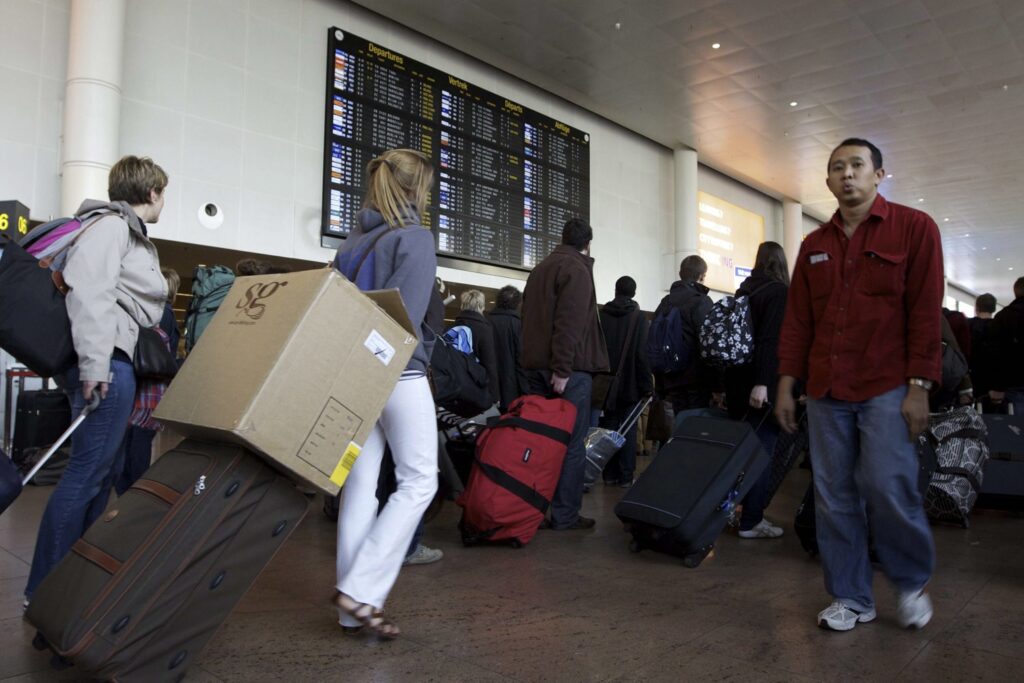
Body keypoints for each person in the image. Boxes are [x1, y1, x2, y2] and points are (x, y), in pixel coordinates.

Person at [775, 138, 943, 632]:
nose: (846, 175)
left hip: (887, 384)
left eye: (856, 166)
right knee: (833, 495)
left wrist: (919, 386)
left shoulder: (914, 229)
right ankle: (852, 596)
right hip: (827, 390)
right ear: (828, 182)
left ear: (878, 174)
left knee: (887, 485)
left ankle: (910, 582)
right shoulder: (813, 246)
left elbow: (925, 312)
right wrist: (787, 382)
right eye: (836, 168)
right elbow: (798, 323)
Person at [24, 155, 169, 602]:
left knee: (97, 474)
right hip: (107, 364)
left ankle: (71, 576)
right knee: (86, 474)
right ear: (151, 193)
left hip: (109, 361)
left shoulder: (119, 230)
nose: (164, 201)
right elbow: (90, 292)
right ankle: (46, 585)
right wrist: (94, 365)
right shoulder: (110, 227)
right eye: (163, 193)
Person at [332, 149, 438, 639]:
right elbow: (406, 321)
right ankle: (362, 590)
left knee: (359, 486)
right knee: (420, 481)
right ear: (417, 189)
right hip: (398, 375)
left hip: (352, 373)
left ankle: (351, 608)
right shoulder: (414, 238)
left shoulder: (352, 243)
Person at [521, 217, 609, 530]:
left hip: (535, 368)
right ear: (588, 244)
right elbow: (569, 324)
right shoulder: (577, 270)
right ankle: (565, 515)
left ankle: (532, 508)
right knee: (571, 445)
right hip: (567, 372)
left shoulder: (540, 268)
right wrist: (562, 368)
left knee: (540, 441)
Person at [723, 242, 789, 539]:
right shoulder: (778, 292)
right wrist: (763, 382)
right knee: (762, 453)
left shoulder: (744, 291)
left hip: (737, 384)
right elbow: (769, 341)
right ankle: (751, 520)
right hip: (760, 386)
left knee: (743, 453)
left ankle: (731, 510)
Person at [115, 267, 181, 495]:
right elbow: (168, 355)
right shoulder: (167, 313)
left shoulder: (141, 309)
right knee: (140, 443)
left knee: (127, 443)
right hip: (151, 385)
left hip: (136, 379)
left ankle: (125, 491)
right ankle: (132, 494)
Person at [596, 276, 652, 487]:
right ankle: (626, 476)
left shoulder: (602, 315)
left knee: (608, 429)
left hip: (606, 384)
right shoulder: (638, 318)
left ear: (615, 290)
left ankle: (609, 475)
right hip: (630, 384)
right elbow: (641, 354)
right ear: (634, 293)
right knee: (628, 429)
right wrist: (647, 385)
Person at [651, 255, 719, 413]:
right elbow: (709, 344)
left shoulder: (665, 302)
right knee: (697, 430)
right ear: (702, 276)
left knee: (679, 425)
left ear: (680, 273)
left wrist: (660, 384)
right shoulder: (702, 301)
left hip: (670, 378)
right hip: (696, 379)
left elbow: (655, 339)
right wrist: (717, 385)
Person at [453, 289, 500, 407]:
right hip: (475, 387)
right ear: (481, 306)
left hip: (454, 385)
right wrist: (495, 395)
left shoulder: (454, 326)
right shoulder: (484, 329)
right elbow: (489, 364)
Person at [487, 285, 529, 413]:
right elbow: (521, 359)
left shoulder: (486, 322)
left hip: (488, 387)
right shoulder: (518, 325)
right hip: (511, 389)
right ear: (517, 303)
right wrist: (526, 390)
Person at [988, 277, 1024, 415]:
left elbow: (996, 353)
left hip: (1013, 382)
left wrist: (997, 386)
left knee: (1017, 429)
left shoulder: (1003, 317)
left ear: (1015, 292)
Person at [968, 293, 997, 399]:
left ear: (977, 307)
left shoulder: (968, 325)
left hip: (971, 376)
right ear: (994, 308)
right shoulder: (999, 326)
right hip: (993, 377)